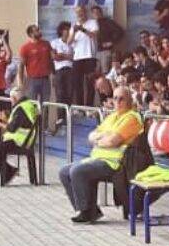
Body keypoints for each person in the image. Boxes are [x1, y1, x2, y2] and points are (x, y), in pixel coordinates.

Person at [58, 86, 144, 223]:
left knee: (77, 171)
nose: (118, 101)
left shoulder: (131, 118)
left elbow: (113, 141)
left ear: (129, 100)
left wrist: (101, 139)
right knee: (64, 171)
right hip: (98, 158)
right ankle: (91, 210)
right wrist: (103, 138)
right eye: (115, 98)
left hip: (116, 163)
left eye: (122, 98)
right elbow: (91, 136)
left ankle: (86, 212)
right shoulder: (112, 117)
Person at [0, 86, 39, 186]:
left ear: (15, 98)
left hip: (17, 142)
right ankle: (8, 171)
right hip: (20, 141)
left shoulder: (21, 109)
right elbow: (20, 124)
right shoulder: (27, 105)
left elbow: (12, 128)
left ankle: (8, 171)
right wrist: (4, 119)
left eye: (11, 99)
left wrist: (0, 124)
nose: (10, 101)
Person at [69, 5, 99, 105]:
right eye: (77, 12)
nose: (80, 14)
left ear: (85, 12)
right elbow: (69, 42)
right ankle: (79, 108)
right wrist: (74, 31)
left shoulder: (92, 22)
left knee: (90, 83)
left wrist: (82, 29)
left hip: (90, 56)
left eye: (81, 12)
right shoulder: (74, 26)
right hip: (77, 58)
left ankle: (90, 107)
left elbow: (94, 35)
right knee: (77, 84)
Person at [17, 24, 54, 103]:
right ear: (31, 34)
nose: (39, 32)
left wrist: (53, 74)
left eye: (38, 29)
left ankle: (43, 116)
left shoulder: (46, 44)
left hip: (45, 79)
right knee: (32, 104)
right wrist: (20, 81)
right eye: (36, 30)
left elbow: (51, 60)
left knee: (45, 104)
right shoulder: (25, 47)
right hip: (32, 80)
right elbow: (21, 66)